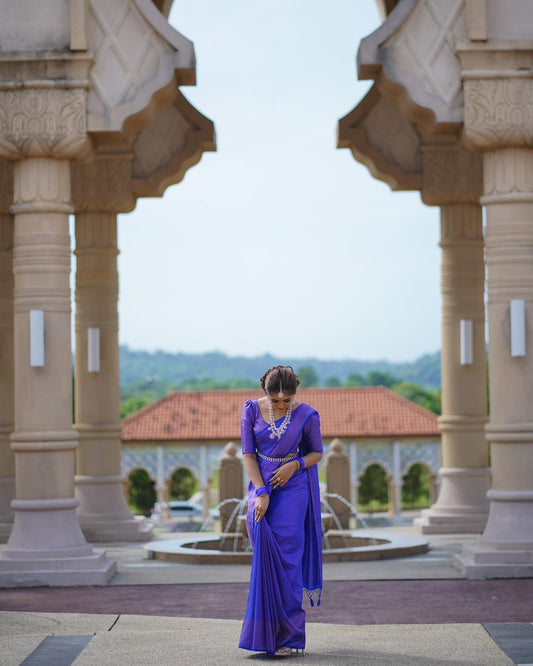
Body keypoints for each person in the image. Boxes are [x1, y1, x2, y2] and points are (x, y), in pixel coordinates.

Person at [239, 365, 323, 657]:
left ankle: (290, 636)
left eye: (287, 400)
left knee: (288, 559)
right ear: (266, 394)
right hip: (261, 483)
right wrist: (261, 492)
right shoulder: (250, 410)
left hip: (294, 485)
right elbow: (248, 455)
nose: (281, 405)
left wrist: (294, 465)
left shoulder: (307, 415)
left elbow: (316, 453)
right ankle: (264, 635)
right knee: (264, 552)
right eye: (276, 401)